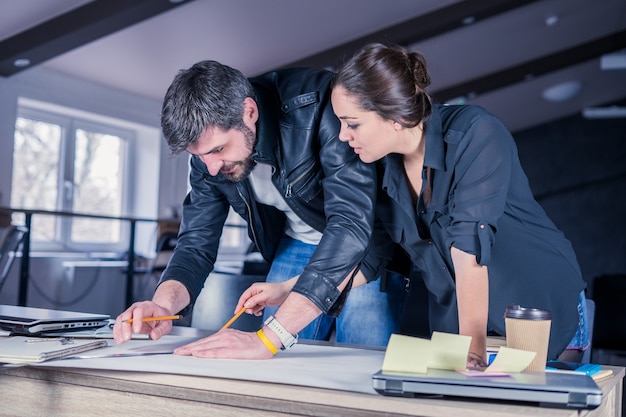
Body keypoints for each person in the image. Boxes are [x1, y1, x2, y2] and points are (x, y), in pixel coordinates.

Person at [240, 43, 589, 367]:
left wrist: (472, 350)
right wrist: (286, 289)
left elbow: (469, 256)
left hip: (538, 309)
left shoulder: (476, 134)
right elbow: (372, 257)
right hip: (461, 324)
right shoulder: (377, 166)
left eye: (352, 123)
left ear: (395, 117)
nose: (343, 136)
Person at [113, 60, 405, 358]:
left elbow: (349, 225)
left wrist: (268, 337)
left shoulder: (320, 104)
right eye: (199, 156)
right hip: (298, 243)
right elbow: (195, 244)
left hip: (364, 244)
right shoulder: (208, 159)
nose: (211, 168)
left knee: (361, 355)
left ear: (249, 112)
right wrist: (163, 306)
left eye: (218, 150)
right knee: (279, 363)